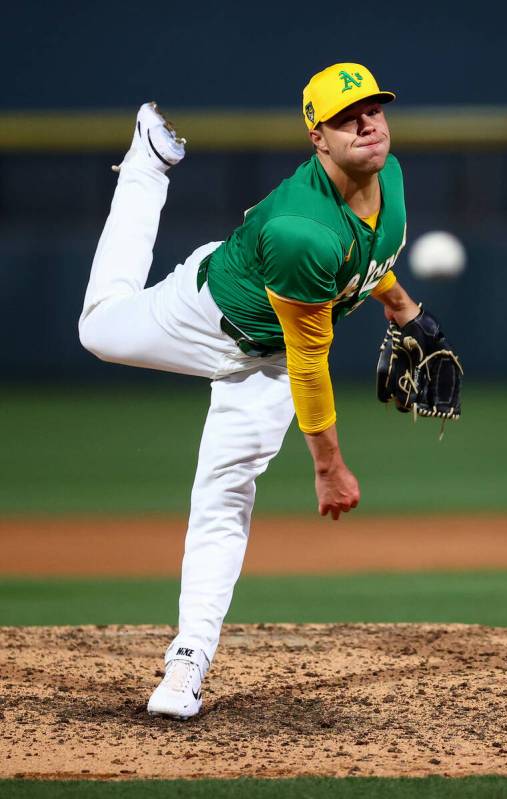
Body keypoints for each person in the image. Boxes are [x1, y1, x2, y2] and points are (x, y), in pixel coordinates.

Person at [79, 62, 421, 720]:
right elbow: (309, 359)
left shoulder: (390, 176)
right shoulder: (301, 229)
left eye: (374, 107)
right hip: (206, 316)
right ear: (316, 137)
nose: (367, 121)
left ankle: (186, 664)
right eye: (346, 116)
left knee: (223, 496)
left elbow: (371, 257)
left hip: (267, 358)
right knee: (98, 328)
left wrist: (405, 309)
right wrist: (327, 465)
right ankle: (149, 160)